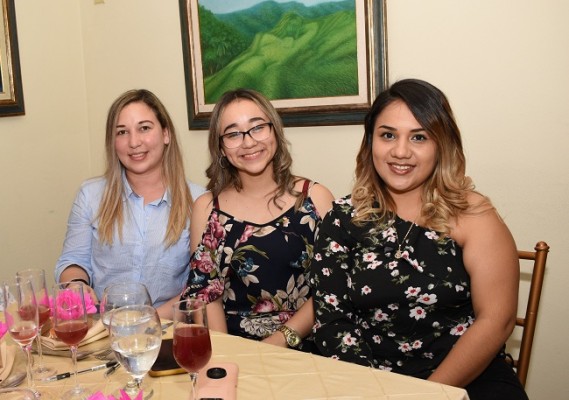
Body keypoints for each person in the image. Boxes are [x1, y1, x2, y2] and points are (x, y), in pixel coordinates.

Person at [308, 79, 527, 399]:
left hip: (465, 373)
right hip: (365, 375)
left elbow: (497, 320)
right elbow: (332, 324)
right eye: (388, 135)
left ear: (441, 144)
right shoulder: (342, 219)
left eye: (419, 137)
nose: (400, 152)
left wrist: (426, 394)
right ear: (370, 142)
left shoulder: (473, 215)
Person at [177, 88, 334, 350]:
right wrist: (230, 355)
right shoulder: (206, 208)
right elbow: (207, 296)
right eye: (233, 134)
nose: (248, 142)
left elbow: (331, 287)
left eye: (257, 127)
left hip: (304, 346)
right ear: (221, 147)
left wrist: (279, 342)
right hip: (233, 349)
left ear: (275, 131)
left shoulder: (315, 199)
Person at [54, 89, 205, 314]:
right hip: (105, 329)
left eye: (144, 128)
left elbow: (201, 285)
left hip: (168, 328)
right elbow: (72, 260)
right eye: (122, 132)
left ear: (166, 134)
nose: (134, 142)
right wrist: (78, 285)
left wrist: (147, 320)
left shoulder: (199, 201)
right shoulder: (90, 195)